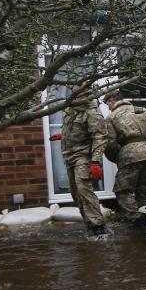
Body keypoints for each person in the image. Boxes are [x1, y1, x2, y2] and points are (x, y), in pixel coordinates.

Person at [51, 91, 110, 237]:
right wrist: (63, 136)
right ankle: (89, 223)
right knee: (75, 192)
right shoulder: (70, 109)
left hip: (83, 156)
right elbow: (74, 129)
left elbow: (99, 137)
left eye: (79, 95)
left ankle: (98, 226)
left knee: (84, 188)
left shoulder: (92, 112)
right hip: (69, 155)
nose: (75, 97)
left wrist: (96, 161)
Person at [103, 91, 146, 222]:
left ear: (111, 101)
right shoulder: (142, 110)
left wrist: (117, 157)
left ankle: (135, 219)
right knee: (144, 189)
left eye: (107, 104)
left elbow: (110, 143)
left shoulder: (111, 117)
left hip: (130, 155)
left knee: (122, 190)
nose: (107, 107)